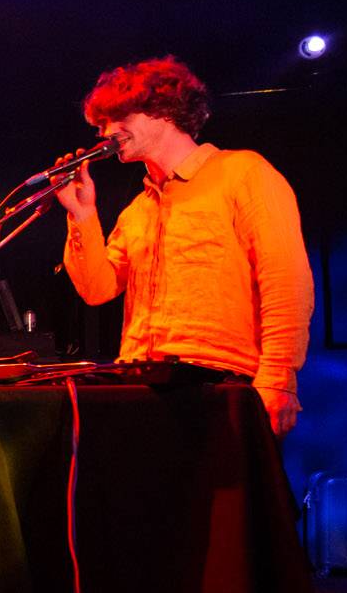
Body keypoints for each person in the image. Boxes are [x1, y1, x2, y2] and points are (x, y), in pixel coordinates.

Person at [55, 56, 315, 436]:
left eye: (116, 118)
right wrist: (82, 215)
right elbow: (97, 289)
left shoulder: (243, 173)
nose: (106, 133)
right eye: (101, 124)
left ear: (162, 110)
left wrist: (278, 377)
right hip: (141, 380)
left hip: (220, 383)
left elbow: (286, 283)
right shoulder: (139, 209)